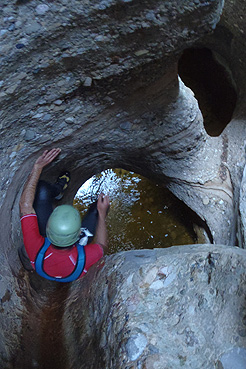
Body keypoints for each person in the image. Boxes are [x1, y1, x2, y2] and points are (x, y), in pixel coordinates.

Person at [19, 148, 110, 282]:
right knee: (97, 209)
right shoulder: (87, 256)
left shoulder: (34, 246)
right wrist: (102, 214)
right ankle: (63, 194)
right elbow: (103, 245)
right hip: (74, 265)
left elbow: (25, 206)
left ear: (48, 229)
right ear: (79, 233)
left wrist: (37, 167)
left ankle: (57, 191)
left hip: (42, 260)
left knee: (42, 188)